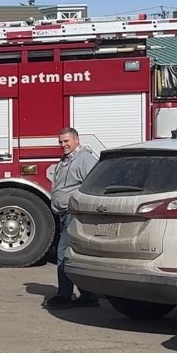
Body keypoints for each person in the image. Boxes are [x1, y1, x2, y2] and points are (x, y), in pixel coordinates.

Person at [46, 127, 100, 310]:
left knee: (63, 254)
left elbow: (94, 184)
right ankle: (88, 296)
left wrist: (78, 206)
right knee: (74, 255)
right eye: (60, 142)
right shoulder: (67, 159)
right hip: (65, 214)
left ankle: (64, 296)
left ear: (76, 140)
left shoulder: (85, 159)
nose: (63, 145)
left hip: (74, 214)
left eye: (66, 141)